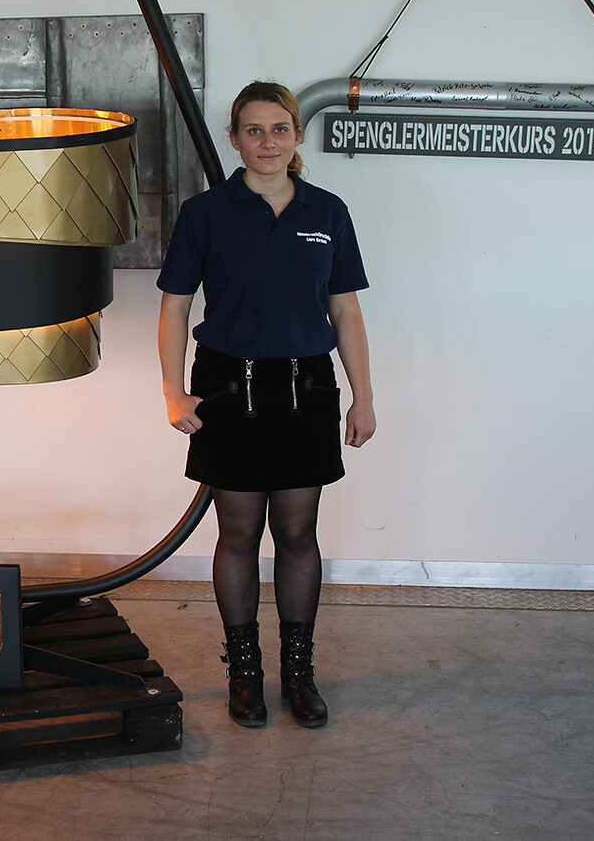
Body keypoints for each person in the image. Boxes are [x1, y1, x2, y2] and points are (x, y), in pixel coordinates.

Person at [157, 80, 375, 729]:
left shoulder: (327, 212)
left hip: (307, 389)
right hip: (229, 388)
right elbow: (174, 308)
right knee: (239, 533)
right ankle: (245, 675)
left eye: (279, 129)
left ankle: (299, 674)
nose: (268, 141)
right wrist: (172, 391)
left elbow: (346, 311)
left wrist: (363, 396)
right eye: (254, 130)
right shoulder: (205, 213)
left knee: (298, 534)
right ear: (234, 138)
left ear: (297, 135)